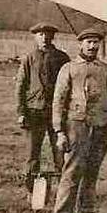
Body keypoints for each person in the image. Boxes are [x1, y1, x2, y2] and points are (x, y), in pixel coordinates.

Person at [49, 28, 107, 213]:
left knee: (92, 172)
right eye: (88, 42)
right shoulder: (69, 69)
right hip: (76, 127)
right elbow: (58, 101)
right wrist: (59, 132)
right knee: (71, 172)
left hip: (101, 127)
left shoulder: (105, 70)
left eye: (96, 42)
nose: (92, 46)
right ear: (80, 44)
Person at [15, 22, 70, 192]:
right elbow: (20, 86)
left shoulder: (62, 58)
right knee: (32, 153)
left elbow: (69, 85)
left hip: (57, 113)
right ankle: (31, 191)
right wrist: (21, 112)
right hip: (34, 111)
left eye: (48, 35)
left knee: (60, 151)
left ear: (53, 37)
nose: (44, 38)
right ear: (35, 37)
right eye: (40, 35)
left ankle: (64, 191)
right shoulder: (29, 58)